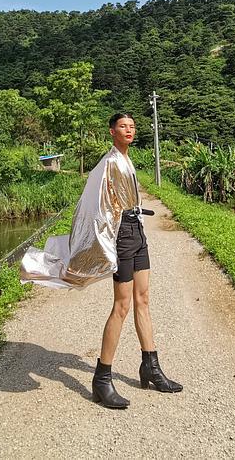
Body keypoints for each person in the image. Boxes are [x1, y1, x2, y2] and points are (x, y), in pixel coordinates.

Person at [18, 111, 183, 409]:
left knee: (143, 299)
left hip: (137, 232)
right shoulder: (108, 163)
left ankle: (151, 367)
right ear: (112, 131)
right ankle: (102, 379)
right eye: (123, 126)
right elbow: (96, 206)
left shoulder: (126, 159)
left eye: (132, 126)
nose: (129, 130)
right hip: (123, 235)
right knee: (122, 305)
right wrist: (103, 245)